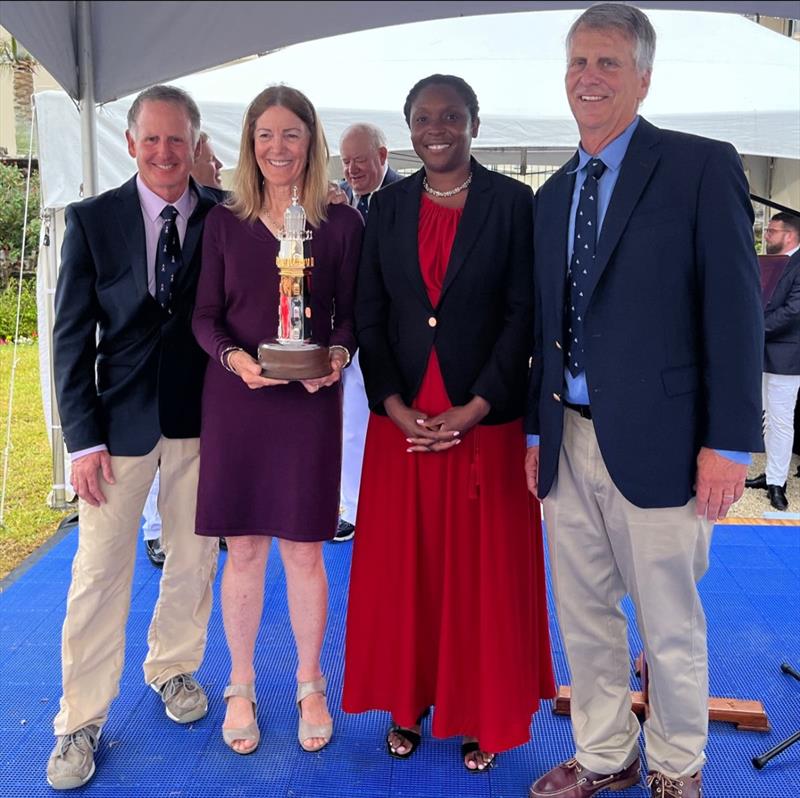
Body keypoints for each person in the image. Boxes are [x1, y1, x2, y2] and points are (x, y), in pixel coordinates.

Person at [524, 6, 763, 798]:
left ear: (644, 77)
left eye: (608, 63)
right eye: (578, 63)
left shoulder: (699, 166)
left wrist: (730, 443)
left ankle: (676, 766)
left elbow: (735, 312)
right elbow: (547, 326)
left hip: (666, 445)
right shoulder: (554, 193)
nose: (588, 77)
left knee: (669, 625)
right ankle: (605, 754)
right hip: (568, 444)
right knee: (586, 621)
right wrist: (536, 430)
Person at [343, 74, 555, 772]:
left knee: (480, 576)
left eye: (452, 116)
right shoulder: (389, 205)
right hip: (402, 420)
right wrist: (395, 404)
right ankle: (408, 705)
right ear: (407, 127)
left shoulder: (512, 203)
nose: (438, 128)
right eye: (425, 117)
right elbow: (370, 313)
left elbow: (524, 313)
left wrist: (478, 405)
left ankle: (477, 712)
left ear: (474, 123)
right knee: (410, 569)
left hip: (484, 421)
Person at [48, 85, 221, 790]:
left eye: (176, 139)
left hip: (201, 421)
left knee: (193, 560)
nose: (163, 153)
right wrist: (81, 439)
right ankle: (79, 720)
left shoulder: (222, 217)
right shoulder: (94, 220)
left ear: (196, 142)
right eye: (150, 139)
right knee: (97, 575)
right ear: (129, 143)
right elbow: (68, 339)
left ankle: (173, 668)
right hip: (116, 430)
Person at [192, 85, 362, 756]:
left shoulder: (341, 224)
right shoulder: (224, 223)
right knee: (246, 550)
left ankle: (310, 682)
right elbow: (204, 316)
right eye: (265, 135)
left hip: (308, 404)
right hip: (238, 403)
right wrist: (234, 360)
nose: (278, 147)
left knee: (302, 549)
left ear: (310, 141)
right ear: (250, 144)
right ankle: (239, 683)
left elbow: (352, 316)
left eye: (291, 134)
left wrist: (338, 357)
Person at [333, 122, 404, 542]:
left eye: (360, 160)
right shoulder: (342, 200)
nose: (352, 169)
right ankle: (355, 508)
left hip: (394, 335)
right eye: (345, 161)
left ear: (382, 155)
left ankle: (391, 506)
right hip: (349, 334)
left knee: (392, 423)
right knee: (351, 424)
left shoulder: (404, 198)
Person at [744, 212, 800, 511]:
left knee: (780, 421)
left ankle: (778, 482)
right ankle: (770, 473)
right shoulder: (771, 262)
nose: (766, 236)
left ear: (789, 235)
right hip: (762, 351)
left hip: (786, 355)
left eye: (772, 231)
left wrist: (753, 327)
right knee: (765, 417)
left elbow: (793, 311)